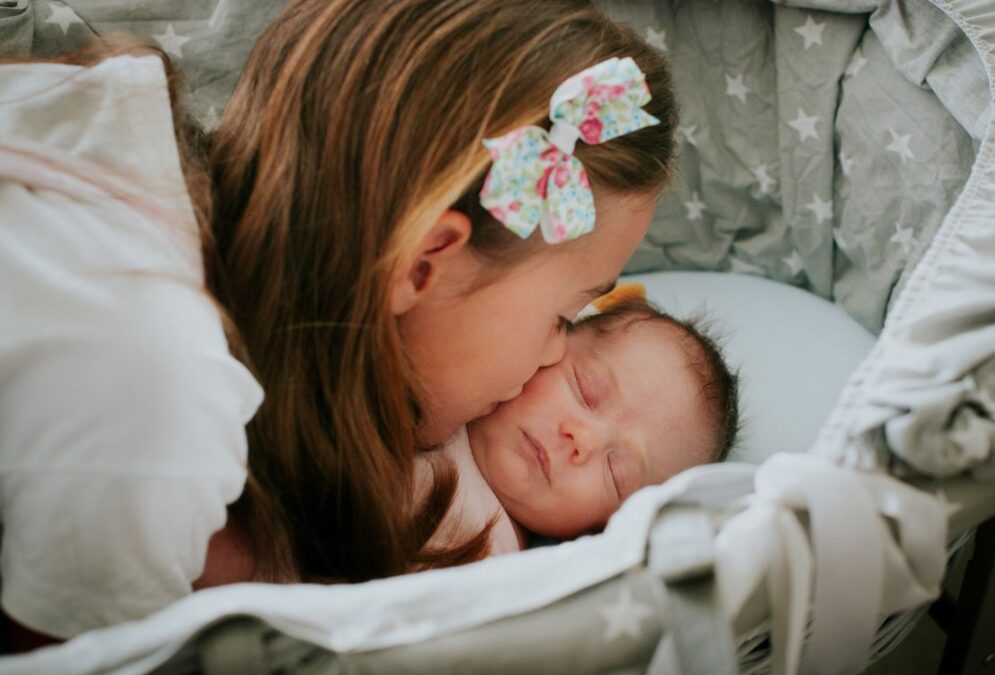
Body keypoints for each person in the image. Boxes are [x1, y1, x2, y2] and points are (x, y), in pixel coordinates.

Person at [0, 0, 677, 648]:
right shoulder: (155, 399)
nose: (548, 359)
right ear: (422, 264)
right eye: (562, 318)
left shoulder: (119, 130)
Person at [416, 298, 740, 562]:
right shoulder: (435, 369)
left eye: (616, 471)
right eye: (586, 391)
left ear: (601, 527)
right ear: (546, 343)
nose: (582, 439)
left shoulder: (499, 571)